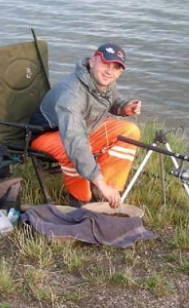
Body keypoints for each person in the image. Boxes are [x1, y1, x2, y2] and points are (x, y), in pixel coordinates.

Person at [29, 43, 141, 208]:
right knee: (78, 150)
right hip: (47, 133)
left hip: (85, 127)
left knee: (129, 132)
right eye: (105, 63)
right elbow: (74, 141)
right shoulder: (72, 94)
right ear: (92, 62)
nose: (109, 71)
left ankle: (107, 191)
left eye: (116, 68)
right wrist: (99, 180)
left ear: (120, 72)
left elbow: (112, 100)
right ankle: (80, 199)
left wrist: (123, 107)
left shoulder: (105, 81)